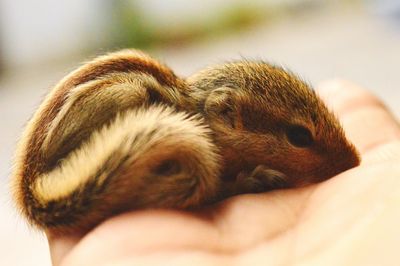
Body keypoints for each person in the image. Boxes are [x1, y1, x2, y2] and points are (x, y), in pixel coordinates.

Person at [47, 80, 400, 266]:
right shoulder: (187, 147)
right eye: (298, 137)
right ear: (227, 114)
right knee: (196, 172)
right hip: (65, 171)